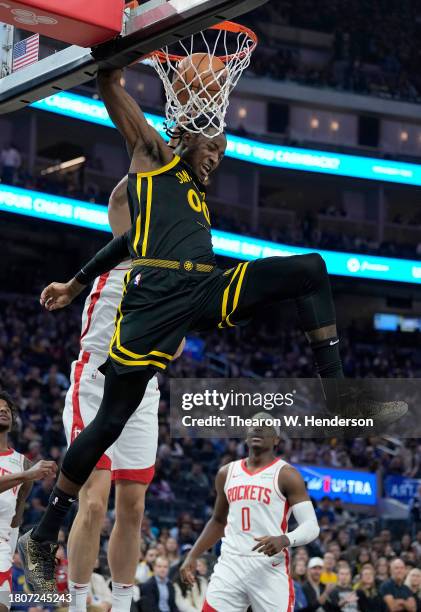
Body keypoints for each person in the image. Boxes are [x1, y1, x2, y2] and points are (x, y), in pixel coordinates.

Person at [19, 61, 406, 590]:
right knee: (109, 421)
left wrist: (78, 278)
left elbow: (129, 242)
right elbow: (112, 92)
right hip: (153, 301)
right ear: (186, 139)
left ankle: (338, 395)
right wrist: (122, 58)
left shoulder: (194, 201)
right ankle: (44, 533)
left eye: (224, 154)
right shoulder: (154, 159)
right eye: (214, 149)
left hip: (203, 287)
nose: (218, 160)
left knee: (311, 269)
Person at [61, 177, 183, 612]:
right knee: (92, 502)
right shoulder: (123, 247)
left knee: (132, 507)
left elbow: (178, 348)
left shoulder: (172, 273)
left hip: (142, 389)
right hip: (95, 381)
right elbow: (117, 196)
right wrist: (162, 157)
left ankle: (122, 603)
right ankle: (76, 605)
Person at [180, 414, 320, 611]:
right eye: (253, 426)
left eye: (265, 427)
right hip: (231, 564)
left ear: (276, 440)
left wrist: (284, 539)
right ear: (246, 436)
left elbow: (311, 526)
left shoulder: (287, 474)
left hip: (268, 567)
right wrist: (193, 555)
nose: (258, 429)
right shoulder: (226, 473)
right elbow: (218, 522)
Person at [0, 391, 56, 611]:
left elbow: (17, 514)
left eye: (7, 409)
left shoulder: (23, 463)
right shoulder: (27, 471)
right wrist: (26, 475)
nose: (3, 410)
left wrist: (8, 545)